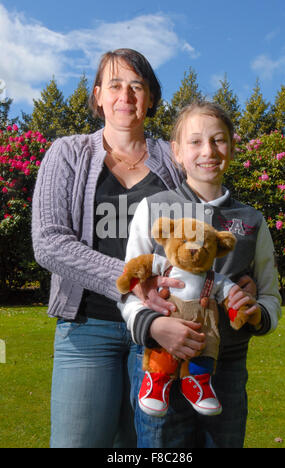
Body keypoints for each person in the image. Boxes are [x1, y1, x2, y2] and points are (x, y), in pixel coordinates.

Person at [31, 48, 194, 448]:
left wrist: (237, 275)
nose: (127, 95)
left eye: (137, 86)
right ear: (99, 95)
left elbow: (202, 230)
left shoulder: (174, 161)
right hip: (88, 326)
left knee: (150, 448)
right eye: (116, 85)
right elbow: (49, 242)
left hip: (161, 329)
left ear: (151, 98)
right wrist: (131, 280)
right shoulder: (67, 152)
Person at [119, 100, 282, 448]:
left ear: (232, 148)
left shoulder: (252, 221)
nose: (207, 150)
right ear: (177, 152)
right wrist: (154, 326)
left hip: (226, 365)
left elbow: (270, 294)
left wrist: (255, 311)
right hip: (158, 360)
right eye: (194, 141)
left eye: (218, 140)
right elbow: (130, 286)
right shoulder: (154, 208)